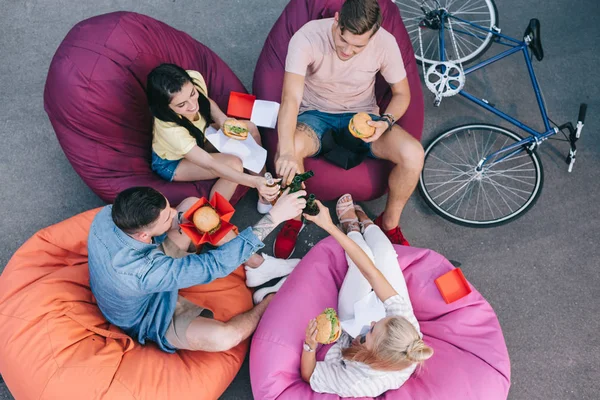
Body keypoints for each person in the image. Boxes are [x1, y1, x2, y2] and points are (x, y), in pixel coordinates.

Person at [273, 0, 424, 258]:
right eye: (344, 41)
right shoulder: (307, 37)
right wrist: (286, 150)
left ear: (373, 35)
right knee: (288, 149)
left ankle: (389, 224)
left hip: (363, 116)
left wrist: (384, 122)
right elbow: (290, 99)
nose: (347, 51)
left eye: (358, 46)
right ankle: (295, 218)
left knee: (414, 154)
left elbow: (402, 94)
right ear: (336, 21)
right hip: (315, 115)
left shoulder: (385, 43)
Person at [88, 186, 306, 353]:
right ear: (143, 235)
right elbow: (213, 266)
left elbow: (173, 219)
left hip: (141, 271)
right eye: (167, 217)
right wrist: (274, 218)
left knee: (193, 206)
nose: (174, 214)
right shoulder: (144, 272)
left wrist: (180, 219)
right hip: (146, 315)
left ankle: (257, 265)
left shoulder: (108, 215)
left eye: (168, 208)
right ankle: (268, 301)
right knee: (224, 338)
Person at [299, 194, 433, 397]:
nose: (371, 323)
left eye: (370, 332)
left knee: (363, 257)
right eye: (377, 324)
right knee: (384, 254)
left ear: (374, 355)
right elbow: (371, 271)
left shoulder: (358, 383)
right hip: (386, 331)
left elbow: (309, 375)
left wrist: (310, 344)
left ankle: (352, 227)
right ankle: (366, 222)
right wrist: (329, 227)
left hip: (352, 322)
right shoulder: (405, 329)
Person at [146, 63, 279, 214]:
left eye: (192, 94)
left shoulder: (193, 78)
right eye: (182, 105)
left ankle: (266, 194)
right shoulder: (171, 130)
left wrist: (223, 121)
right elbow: (210, 164)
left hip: (201, 135)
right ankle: (213, 214)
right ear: (166, 107)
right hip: (174, 161)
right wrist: (253, 182)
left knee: (250, 129)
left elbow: (205, 101)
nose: (192, 106)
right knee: (233, 164)